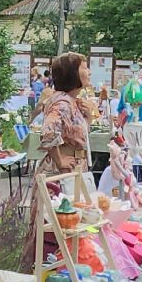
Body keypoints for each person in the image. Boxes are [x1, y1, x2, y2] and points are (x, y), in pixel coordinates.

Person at [31, 51, 93, 260]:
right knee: (60, 226)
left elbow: (76, 135)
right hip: (61, 173)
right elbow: (48, 132)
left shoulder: (71, 101)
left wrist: (88, 117)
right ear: (72, 73)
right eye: (84, 67)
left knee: (68, 226)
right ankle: (56, 267)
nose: (89, 71)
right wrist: (60, 159)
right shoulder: (63, 103)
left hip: (72, 169)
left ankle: (64, 265)